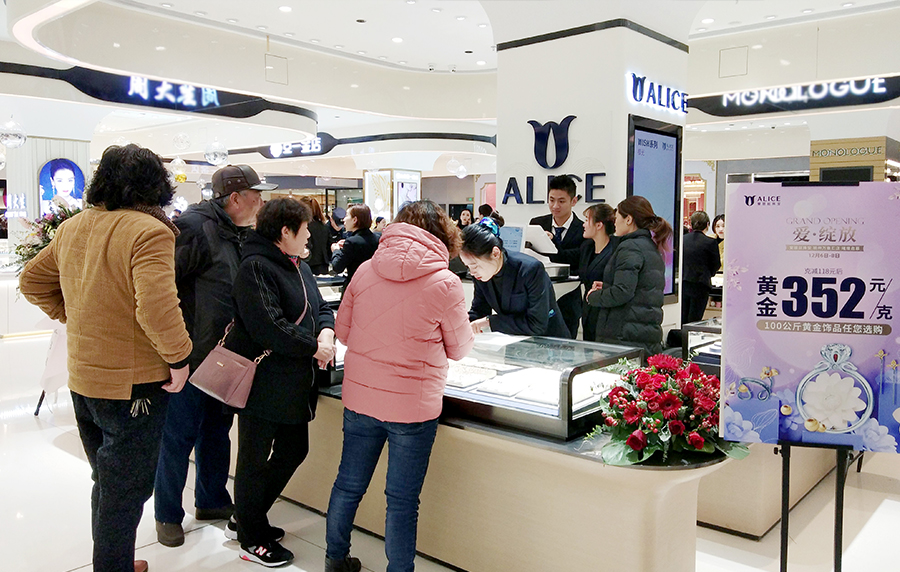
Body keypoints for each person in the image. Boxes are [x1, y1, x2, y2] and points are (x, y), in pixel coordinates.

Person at [19, 143, 193, 572]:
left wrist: (76, 314)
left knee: (108, 479)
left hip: (84, 379)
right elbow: (157, 307)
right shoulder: (149, 230)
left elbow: (32, 281)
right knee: (126, 489)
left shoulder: (74, 226)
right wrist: (179, 358)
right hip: (133, 385)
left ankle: (115, 560)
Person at [326, 200, 474, 572]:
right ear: (442, 232)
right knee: (402, 501)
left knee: (348, 485)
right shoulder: (446, 282)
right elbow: (459, 349)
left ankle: (335, 559)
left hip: (361, 398)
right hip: (412, 408)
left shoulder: (364, 270)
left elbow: (343, 332)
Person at [153, 164, 274, 548]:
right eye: (256, 195)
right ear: (235, 198)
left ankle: (211, 499)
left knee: (217, 434)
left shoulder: (238, 232)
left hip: (225, 356)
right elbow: (163, 289)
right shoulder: (194, 227)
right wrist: (176, 349)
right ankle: (167, 514)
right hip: (191, 356)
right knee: (178, 438)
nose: (261, 202)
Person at [226, 198, 336, 567]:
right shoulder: (255, 267)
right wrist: (314, 347)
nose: (310, 236)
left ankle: (247, 514)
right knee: (254, 459)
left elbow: (321, 307)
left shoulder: (296, 264)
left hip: (294, 382)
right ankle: (251, 537)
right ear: (284, 232)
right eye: (304, 230)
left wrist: (326, 332)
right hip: (263, 381)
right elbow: (269, 326)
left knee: (293, 450)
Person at [586, 196, 672, 357]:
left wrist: (593, 297)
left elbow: (622, 292)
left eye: (617, 216)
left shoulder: (630, 247)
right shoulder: (651, 246)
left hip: (624, 335)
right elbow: (640, 287)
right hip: (642, 333)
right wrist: (607, 286)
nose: (614, 222)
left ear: (628, 219)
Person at [461, 218, 569, 338]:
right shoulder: (481, 275)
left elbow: (536, 324)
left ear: (495, 253)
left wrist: (490, 322)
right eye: (468, 266)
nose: (472, 272)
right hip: (514, 340)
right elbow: (479, 310)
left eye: (474, 265)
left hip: (549, 340)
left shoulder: (530, 270)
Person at [529, 175, 587, 338]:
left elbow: (577, 260)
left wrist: (552, 242)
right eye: (551, 200)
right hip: (539, 299)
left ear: (573, 201)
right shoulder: (537, 224)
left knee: (567, 345)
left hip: (569, 301)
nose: (555, 206)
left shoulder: (583, 229)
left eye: (561, 201)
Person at [578, 204, 620, 342]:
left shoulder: (616, 249)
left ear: (599, 225)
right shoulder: (587, 248)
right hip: (588, 311)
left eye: (587, 220)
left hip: (607, 314)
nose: (584, 224)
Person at [681, 211, 721, 325]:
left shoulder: (683, 240)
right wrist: (709, 273)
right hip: (701, 285)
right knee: (695, 319)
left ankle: (682, 336)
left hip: (684, 283)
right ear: (707, 224)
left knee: (683, 318)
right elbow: (716, 264)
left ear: (691, 224)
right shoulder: (711, 242)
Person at [331, 204, 380, 286]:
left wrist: (336, 250)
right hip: (374, 285)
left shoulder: (351, 242)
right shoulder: (378, 239)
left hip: (356, 286)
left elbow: (337, 267)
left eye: (347, 216)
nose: (344, 220)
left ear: (355, 220)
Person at [300, 196, 332, 275]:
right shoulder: (324, 226)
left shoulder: (304, 227)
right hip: (323, 265)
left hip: (307, 265)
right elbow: (329, 246)